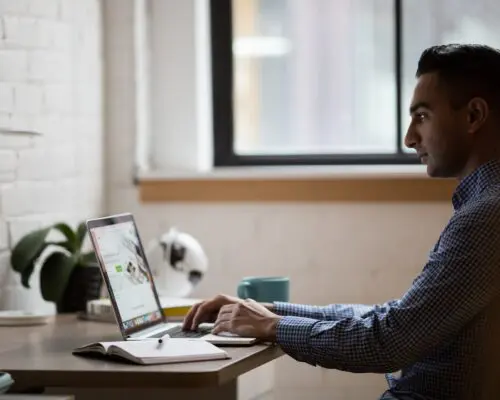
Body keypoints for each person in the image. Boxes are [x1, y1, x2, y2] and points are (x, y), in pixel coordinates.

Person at [182, 44, 500, 400]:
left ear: (474, 115)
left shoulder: (486, 217)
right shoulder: (483, 208)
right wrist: (269, 312)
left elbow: (388, 342)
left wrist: (273, 327)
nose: (410, 138)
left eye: (422, 116)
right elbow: (395, 317)